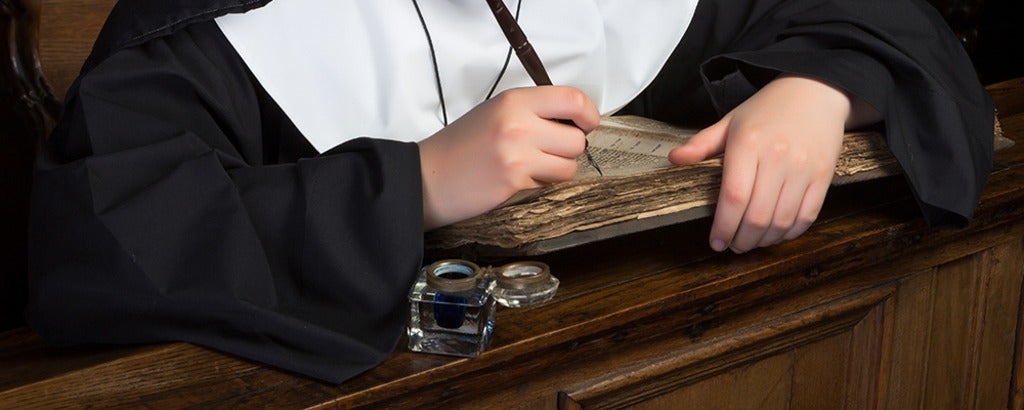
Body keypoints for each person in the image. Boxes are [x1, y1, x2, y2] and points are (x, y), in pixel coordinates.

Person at [27, 0, 993, 383]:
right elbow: (101, 242)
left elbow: (873, 13)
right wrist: (413, 182)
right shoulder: (218, 34)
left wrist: (819, 89)